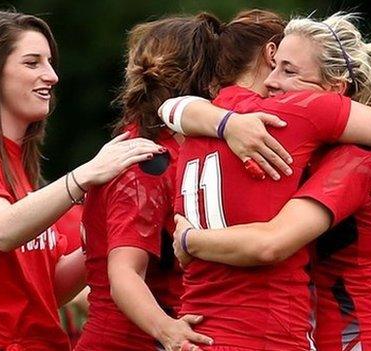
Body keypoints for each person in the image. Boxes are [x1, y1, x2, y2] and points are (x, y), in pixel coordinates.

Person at [158, 10, 371, 350]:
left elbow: (271, 243)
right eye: (274, 66)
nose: (271, 80)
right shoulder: (290, 137)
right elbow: (173, 109)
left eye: (289, 70)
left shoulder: (352, 154)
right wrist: (225, 122)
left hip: (355, 339)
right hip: (297, 330)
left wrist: (189, 241)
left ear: (333, 90)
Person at [0, 9, 162, 351]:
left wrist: (112, 233)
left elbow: (48, 289)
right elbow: (1, 230)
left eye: (50, 62)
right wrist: (85, 174)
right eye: (32, 63)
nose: (52, 76)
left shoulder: (14, 161)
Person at [74, 13, 220, 351]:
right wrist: (168, 331)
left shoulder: (168, 149)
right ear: (207, 81)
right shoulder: (146, 162)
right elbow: (124, 275)